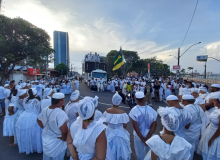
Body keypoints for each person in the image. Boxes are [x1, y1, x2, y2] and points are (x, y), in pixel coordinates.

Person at [37, 93, 68, 160]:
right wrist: (64, 138)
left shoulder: (45, 109)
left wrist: (45, 128)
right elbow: (64, 131)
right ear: (60, 101)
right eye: (63, 100)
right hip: (57, 140)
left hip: (46, 138)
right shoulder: (60, 113)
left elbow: (38, 120)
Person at [129, 92, 157, 160]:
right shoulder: (151, 110)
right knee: (149, 153)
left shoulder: (133, 110)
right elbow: (154, 125)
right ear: (144, 98)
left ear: (135, 99)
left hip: (138, 136)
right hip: (149, 135)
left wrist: (142, 139)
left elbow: (135, 127)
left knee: (139, 153)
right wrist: (147, 138)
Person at [103, 92, 131, 160]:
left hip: (109, 132)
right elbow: (125, 125)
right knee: (121, 150)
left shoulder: (107, 111)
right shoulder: (123, 113)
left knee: (108, 150)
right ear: (120, 101)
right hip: (120, 134)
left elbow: (104, 121)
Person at [16, 88, 42, 154]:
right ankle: (35, 147)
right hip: (33, 117)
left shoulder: (25, 99)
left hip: (24, 116)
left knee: (27, 132)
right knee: (34, 133)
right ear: (35, 93)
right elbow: (38, 110)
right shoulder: (36, 100)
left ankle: (27, 146)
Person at [182, 94, 209, 160]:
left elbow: (186, 126)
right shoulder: (199, 107)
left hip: (188, 132)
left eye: (182, 101)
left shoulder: (186, 109)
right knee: (192, 145)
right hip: (197, 130)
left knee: (186, 147)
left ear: (185, 101)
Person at [197, 92, 220, 160]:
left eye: (215, 101)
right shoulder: (217, 109)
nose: (213, 102)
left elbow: (219, 129)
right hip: (209, 131)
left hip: (215, 134)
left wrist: (212, 139)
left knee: (212, 150)